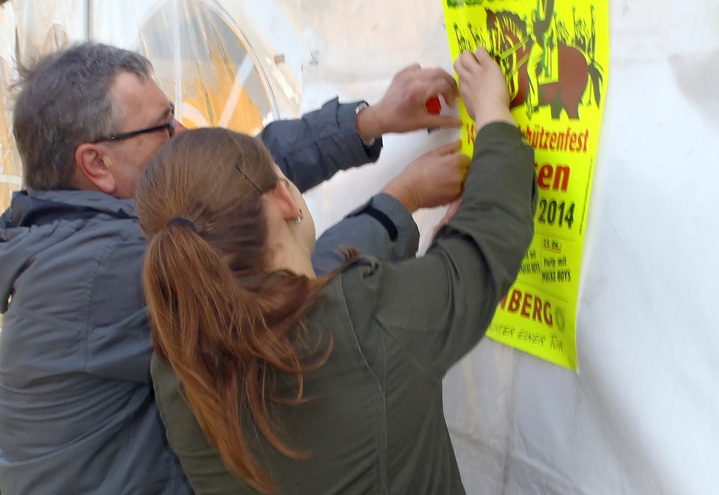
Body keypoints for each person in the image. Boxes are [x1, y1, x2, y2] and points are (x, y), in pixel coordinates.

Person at [0, 41, 469, 495]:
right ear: (97, 164)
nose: (182, 134)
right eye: (163, 125)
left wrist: (367, 122)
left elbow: (234, 176)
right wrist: (401, 200)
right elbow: (286, 287)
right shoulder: (105, 271)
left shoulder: (66, 240)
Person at [136, 47, 538, 494]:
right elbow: (483, 248)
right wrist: (494, 115)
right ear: (284, 198)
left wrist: (401, 198)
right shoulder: (364, 321)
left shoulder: (179, 364)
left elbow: (306, 288)